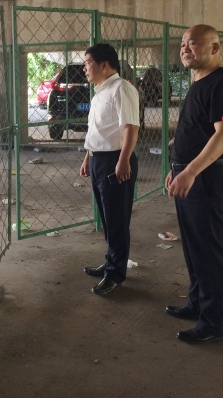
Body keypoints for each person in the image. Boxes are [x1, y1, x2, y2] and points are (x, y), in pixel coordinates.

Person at [164, 24, 223, 344]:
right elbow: (194, 132)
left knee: (209, 252)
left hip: (208, 178)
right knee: (194, 248)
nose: (185, 48)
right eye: (183, 43)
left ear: (214, 48)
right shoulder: (199, 82)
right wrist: (177, 169)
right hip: (190, 176)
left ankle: (214, 324)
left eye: (194, 43)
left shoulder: (222, 83)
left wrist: (191, 171)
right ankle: (198, 304)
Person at [80, 44, 140, 296]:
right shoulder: (99, 92)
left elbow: (131, 127)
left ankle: (115, 273)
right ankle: (111, 262)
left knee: (117, 219)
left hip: (115, 160)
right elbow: (98, 130)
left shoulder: (122, 89)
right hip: (99, 159)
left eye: (88, 63)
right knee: (107, 217)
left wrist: (123, 161)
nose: (84, 68)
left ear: (104, 64)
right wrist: (88, 157)